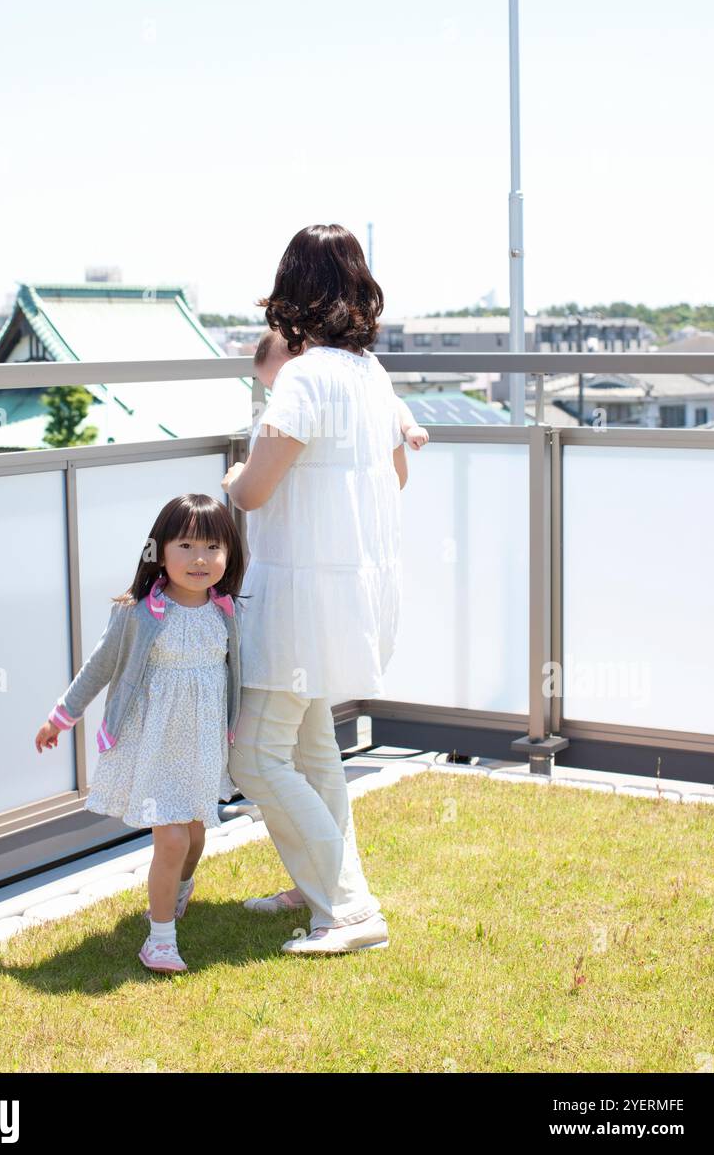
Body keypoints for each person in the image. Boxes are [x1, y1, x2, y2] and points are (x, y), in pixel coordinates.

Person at [222, 222, 414, 956]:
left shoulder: (303, 377)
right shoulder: (372, 375)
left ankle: (349, 907)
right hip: (351, 593)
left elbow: (255, 492)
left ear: (293, 290)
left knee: (257, 758)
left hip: (299, 598)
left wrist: (231, 479)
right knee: (310, 751)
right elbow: (398, 475)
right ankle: (321, 891)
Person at [34, 494, 245, 976]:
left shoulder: (226, 613)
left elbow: (238, 679)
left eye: (212, 547)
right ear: (159, 551)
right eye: (186, 544)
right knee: (171, 840)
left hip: (200, 747)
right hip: (154, 745)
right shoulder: (138, 613)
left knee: (193, 838)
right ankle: (160, 939)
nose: (199, 559)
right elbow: (100, 668)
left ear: (228, 554)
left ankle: (178, 888)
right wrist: (62, 717)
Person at [253, 326, 430, 452]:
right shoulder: (288, 411)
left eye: (281, 380)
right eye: (271, 388)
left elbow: (392, 402)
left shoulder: (340, 384)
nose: (279, 392)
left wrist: (409, 427)